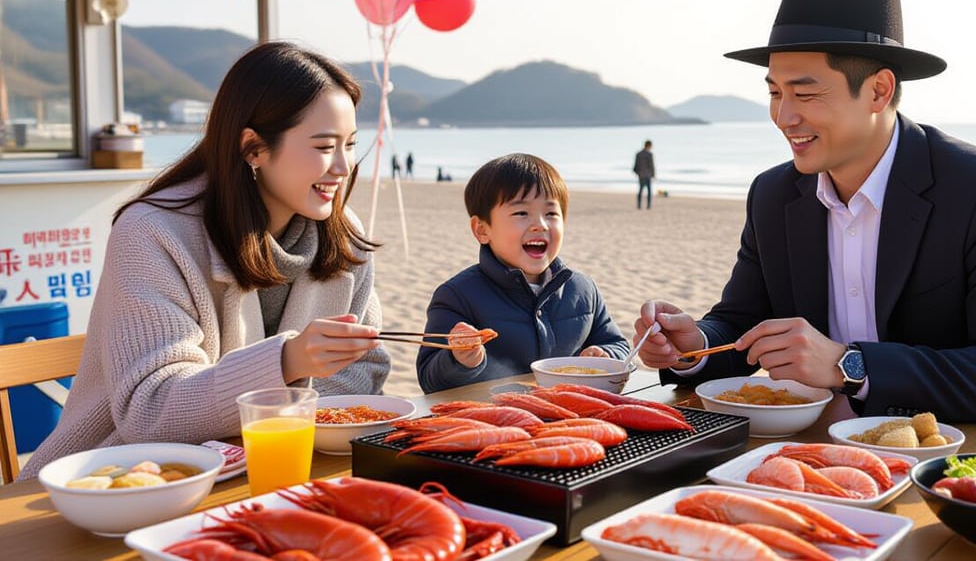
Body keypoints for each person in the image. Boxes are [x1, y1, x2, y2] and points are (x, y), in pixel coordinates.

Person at [633, 0, 976, 424]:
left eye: (806, 93)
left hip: (962, 458)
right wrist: (695, 346)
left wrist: (847, 365)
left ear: (879, 91)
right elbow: (742, 325)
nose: (784, 116)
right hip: (818, 447)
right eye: (775, 93)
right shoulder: (773, 195)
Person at [19, 42, 390, 479]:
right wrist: (287, 361)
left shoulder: (343, 232)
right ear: (253, 147)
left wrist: (283, 405)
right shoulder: (152, 233)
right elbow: (150, 410)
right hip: (114, 482)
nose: (344, 167)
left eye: (349, 144)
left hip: (270, 469)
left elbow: (366, 365)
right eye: (325, 146)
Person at [417, 153, 630, 392]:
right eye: (521, 213)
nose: (540, 224)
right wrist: (461, 360)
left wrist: (606, 354)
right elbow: (429, 379)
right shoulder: (457, 295)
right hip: (495, 420)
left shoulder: (582, 288)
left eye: (551, 213)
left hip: (573, 414)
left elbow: (617, 344)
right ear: (482, 229)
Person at [633, 140, 656, 209]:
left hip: (641, 175)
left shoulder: (638, 154)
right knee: (648, 191)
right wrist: (653, 174)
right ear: (649, 145)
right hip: (647, 175)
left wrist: (638, 173)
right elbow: (651, 165)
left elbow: (635, 166)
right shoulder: (649, 154)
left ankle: (639, 205)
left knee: (640, 190)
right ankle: (648, 206)